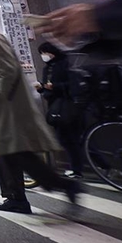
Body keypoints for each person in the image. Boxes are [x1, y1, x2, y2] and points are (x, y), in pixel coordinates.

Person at [0, 9, 81, 214]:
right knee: (9, 155)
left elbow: (9, 70)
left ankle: (61, 186)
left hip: (9, 109)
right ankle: (17, 198)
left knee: (16, 154)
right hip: (4, 109)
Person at [35, 42, 83, 179]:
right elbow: (47, 89)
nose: (44, 56)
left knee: (70, 139)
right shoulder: (47, 68)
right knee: (69, 139)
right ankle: (99, 166)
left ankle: (77, 169)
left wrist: (55, 86)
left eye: (45, 52)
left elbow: (73, 85)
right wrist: (41, 88)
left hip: (67, 105)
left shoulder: (65, 64)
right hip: (55, 106)